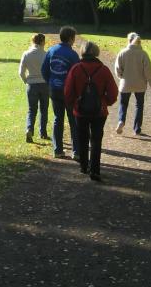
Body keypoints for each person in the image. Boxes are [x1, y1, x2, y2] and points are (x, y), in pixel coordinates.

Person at [64, 40, 118, 181]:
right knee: (96, 140)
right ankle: (95, 170)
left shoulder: (76, 69)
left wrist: (73, 104)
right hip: (99, 111)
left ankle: (83, 166)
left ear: (82, 52)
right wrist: (105, 102)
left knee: (82, 138)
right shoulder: (104, 70)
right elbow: (113, 92)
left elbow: (68, 91)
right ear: (96, 52)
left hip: (80, 110)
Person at [41, 26, 80, 159]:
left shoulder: (51, 50)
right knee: (73, 120)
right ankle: (76, 151)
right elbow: (77, 74)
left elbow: (44, 70)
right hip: (69, 92)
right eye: (74, 38)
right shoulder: (73, 55)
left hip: (54, 89)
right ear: (70, 39)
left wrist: (50, 82)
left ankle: (57, 150)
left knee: (58, 119)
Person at [113, 32, 151, 136]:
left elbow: (117, 68)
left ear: (128, 40)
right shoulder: (143, 54)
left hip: (126, 83)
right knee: (139, 105)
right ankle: (137, 128)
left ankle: (121, 120)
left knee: (123, 104)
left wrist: (121, 76)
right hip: (140, 84)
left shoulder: (122, 52)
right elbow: (148, 71)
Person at [18, 33, 50, 143]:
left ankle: (29, 129)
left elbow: (21, 72)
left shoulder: (26, 54)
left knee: (32, 110)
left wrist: (26, 81)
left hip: (32, 84)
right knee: (44, 109)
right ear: (42, 42)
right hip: (44, 84)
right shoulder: (46, 55)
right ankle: (43, 133)